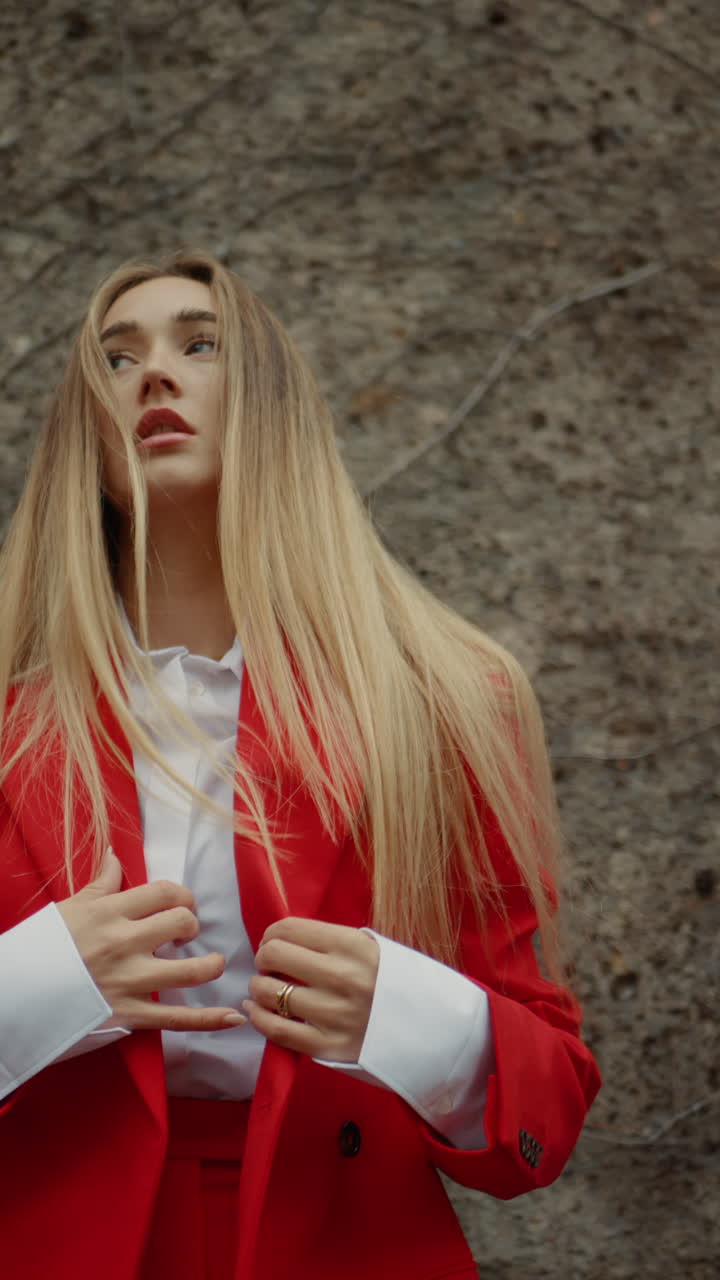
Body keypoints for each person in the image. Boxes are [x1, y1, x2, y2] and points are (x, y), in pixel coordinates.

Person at [0, 251, 600, 1280]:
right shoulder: (13, 712)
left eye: (199, 343)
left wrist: (407, 1011)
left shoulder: (446, 701)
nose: (154, 373)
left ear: (272, 402)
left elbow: (543, 1107)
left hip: (346, 1242)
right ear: (81, 433)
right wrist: (40, 981)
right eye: (114, 358)